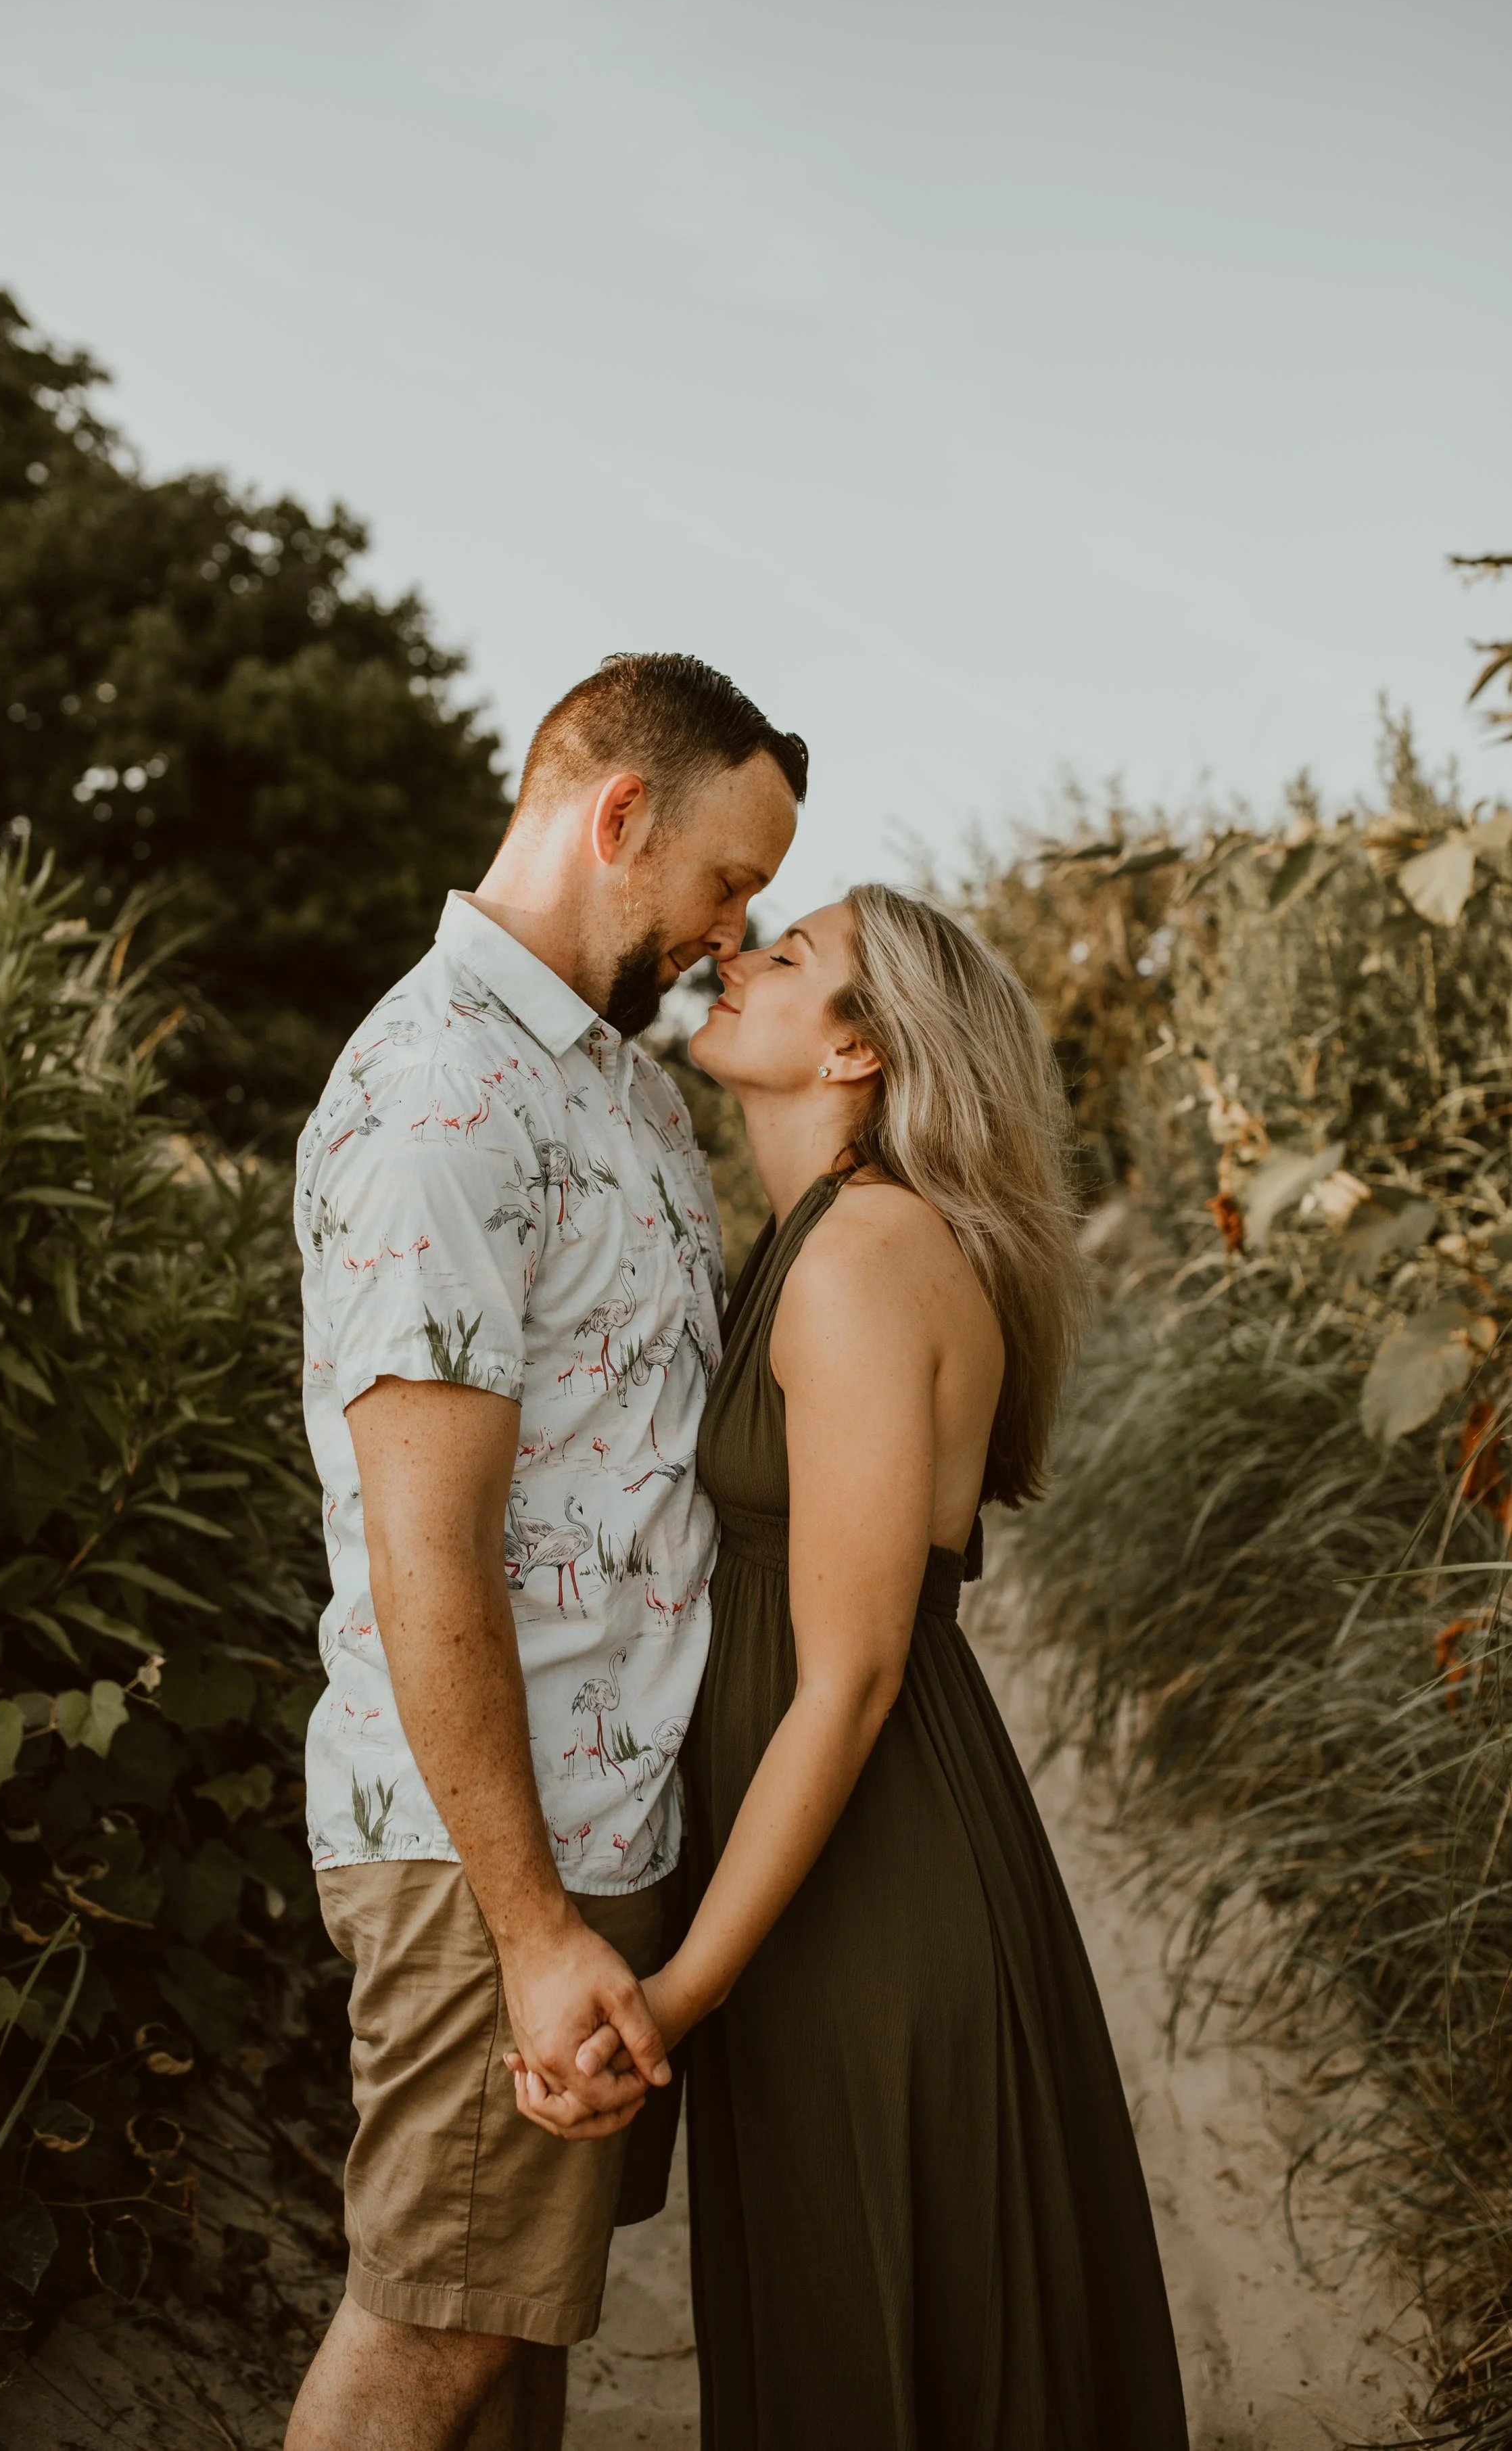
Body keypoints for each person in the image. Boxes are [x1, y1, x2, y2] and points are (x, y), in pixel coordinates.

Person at [514, 886, 1191, 2449]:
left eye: (788, 955)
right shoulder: (814, 1238)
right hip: (811, 1861)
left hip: (872, 1880)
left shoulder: (863, 1256)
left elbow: (851, 1680)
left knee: (878, 2338)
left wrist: (679, 1994)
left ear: (857, 1052)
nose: (735, 955)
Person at [282, 654, 805, 2451]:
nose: (736, 930)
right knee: (431, 2333)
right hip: (487, 1853)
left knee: (514, 2331)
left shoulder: (621, 1092)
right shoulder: (440, 1094)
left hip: (604, 1829)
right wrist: (527, 1924)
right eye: (727, 879)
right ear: (619, 816)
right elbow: (427, 1551)